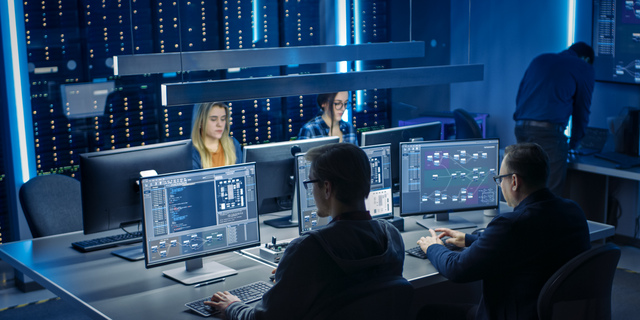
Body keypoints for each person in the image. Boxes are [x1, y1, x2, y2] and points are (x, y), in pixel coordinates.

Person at [205, 143, 406, 319]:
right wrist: (294, 277)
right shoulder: (392, 237)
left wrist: (232, 307)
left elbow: (265, 319)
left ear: (327, 188)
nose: (310, 191)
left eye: (311, 183)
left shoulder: (307, 250)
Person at [416, 143, 591, 320]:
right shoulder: (573, 211)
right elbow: (529, 244)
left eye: (500, 179)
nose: (500, 185)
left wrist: (433, 247)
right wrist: (470, 239)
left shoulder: (511, 225)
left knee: (427, 313)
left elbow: (457, 269)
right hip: (551, 314)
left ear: (514, 181)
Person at [513, 42, 595, 196]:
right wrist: (574, 143)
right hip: (548, 136)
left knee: (523, 190)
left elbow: (520, 96)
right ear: (586, 59)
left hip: (521, 129)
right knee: (548, 196)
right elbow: (582, 111)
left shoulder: (540, 59)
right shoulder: (584, 67)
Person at [191, 102, 242, 169]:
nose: (219, 124)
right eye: (213, 119)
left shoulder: (233, 144)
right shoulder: (192, 153)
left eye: (223, 119)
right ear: (200, 122)